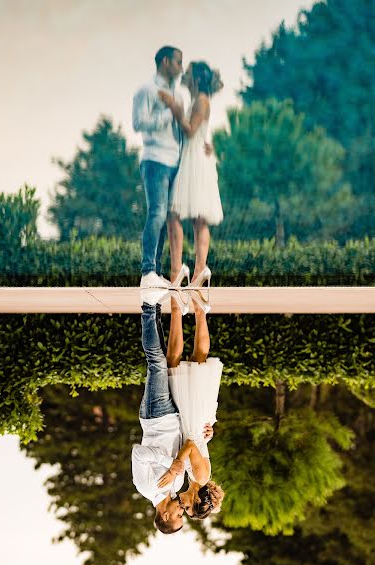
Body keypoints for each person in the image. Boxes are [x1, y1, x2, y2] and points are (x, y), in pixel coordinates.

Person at [158, 291, 225, 519]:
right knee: (196, 360)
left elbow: (198, 447)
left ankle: (181, 310)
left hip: (192, 422)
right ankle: (197, 311)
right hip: (194, 420)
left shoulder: (194, 479)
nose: (183, 506)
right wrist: (176, 464)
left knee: (176, 364)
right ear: (196, 500)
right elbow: (191, 445)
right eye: (187, 508)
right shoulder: (201, 478)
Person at [158, 61, 224, 288]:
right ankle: (198, 271)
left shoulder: (201, 101)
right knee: (196, 218)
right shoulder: (200, 100)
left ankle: (188, 270)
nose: (184, 76)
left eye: (188, 73)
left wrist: (176, 112)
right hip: (197, 155)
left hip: (194, 159)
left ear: (196, 79)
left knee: (178, 213)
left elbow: (191, 129)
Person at [131, 297, 185, 534]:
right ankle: (156, 307)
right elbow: (183, 448)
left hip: (155, 416)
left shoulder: (145, 487)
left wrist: (169, 465)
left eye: (178, 515)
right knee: (163, 358)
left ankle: (147, 306)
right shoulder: (178, 485)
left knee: (156, 363)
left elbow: (138, 453)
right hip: (175, 416)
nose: (182, 511)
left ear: (165, 515)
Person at [133, 46, 184, 288]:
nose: (181, 68)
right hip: (155, 159)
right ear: (165, 62)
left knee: (166, 218)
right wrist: (169, 113)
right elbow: (137, 123)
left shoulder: (178, 95)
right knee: (157, 213)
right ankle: (148, 271)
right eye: (177, 62)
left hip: (175, 161)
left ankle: (157, 272)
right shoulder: (147, 90)